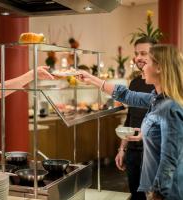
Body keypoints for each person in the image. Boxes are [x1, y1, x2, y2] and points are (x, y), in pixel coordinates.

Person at [76, 44, 183, 200]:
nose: (142, 67)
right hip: (154, 186)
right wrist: (92, 79)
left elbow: (170, 158)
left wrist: (158, 193)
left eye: (147, 63)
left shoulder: (171, 107)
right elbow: (127, 95)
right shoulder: (157, 99)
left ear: (159, 68)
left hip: (167, 192)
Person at [115, 37, 155, 200]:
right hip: (133, 152)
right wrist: (122, 149)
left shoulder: (164, 83)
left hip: (153, 153)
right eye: (136, 53)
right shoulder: (134, 83)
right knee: (136, 196)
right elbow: (130, 118)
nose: (138, 57)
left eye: (143, 53)